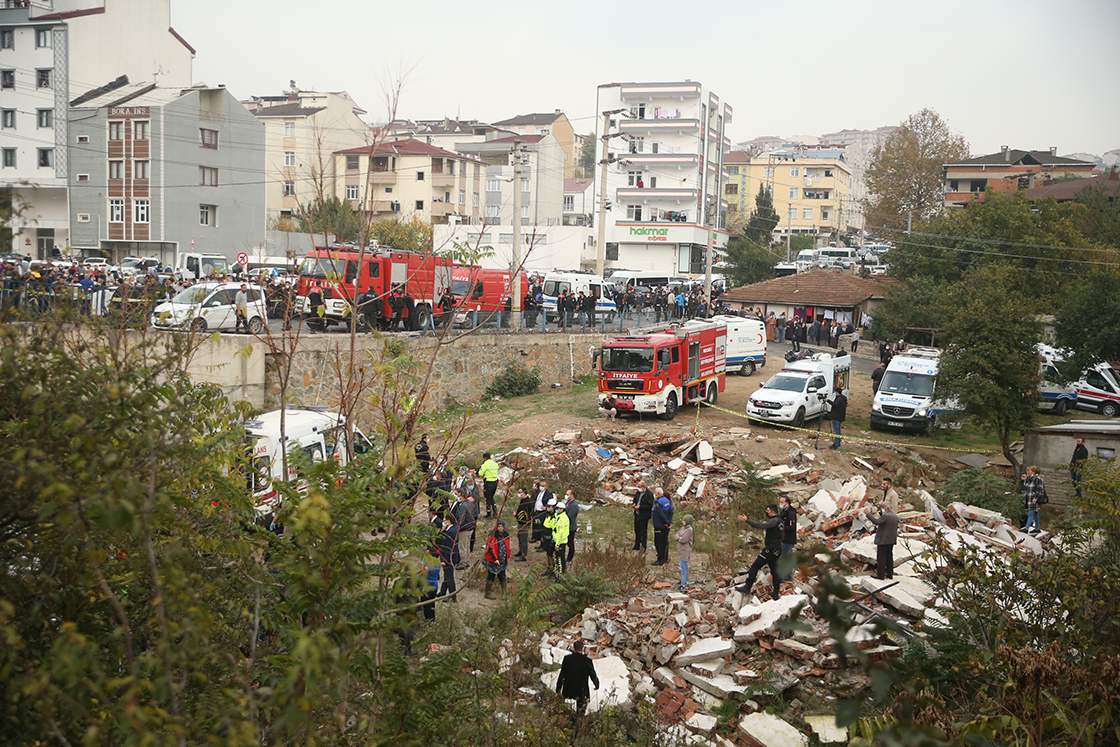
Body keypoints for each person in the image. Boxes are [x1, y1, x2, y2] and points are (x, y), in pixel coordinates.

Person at [736, 504, 783, 601]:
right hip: (777, 550)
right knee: (775, 570)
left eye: (768, 510)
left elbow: (760, 526)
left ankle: (747, 587)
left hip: (770, 549)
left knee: (755, 566)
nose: (767, 512)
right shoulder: (780, 521)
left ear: (772, 511)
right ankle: (775, 592)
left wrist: (747, 520)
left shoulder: (774, 521)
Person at [555, 639, 599, 739]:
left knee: (561, 709)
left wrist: (558, 690)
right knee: (580, 712)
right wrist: (597, 684)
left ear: (574, 648)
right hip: (581, 691)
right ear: (583, 648)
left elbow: (562, 675)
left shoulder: (567, 659)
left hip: (568, 689)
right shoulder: (587, 661)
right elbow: (593, 675)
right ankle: (574, 736)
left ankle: (560, 730)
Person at [864, 500, 899, 579]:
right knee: (889, 557)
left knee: (881, 558)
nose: (882, 508)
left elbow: (876, 522)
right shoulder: (895, 516)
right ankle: (890, 574)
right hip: (891, 540)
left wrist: (868, 514)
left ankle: (881, 575)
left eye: (882, 507)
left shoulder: (886, 516)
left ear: (886, 508)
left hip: (883, 540)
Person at [482, 520, 511, 599]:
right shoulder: (492, 535)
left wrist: (507, 556)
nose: (500, 528)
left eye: (502, 527)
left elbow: (507, 546)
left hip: (502, 560)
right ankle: (487, 593)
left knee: (502, 576)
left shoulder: (506, 535)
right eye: (499, 527)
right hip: (493, 560)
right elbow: (491, 548)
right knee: (491, 575)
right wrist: (495, 559)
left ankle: (504, 593)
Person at [543, 498, 570, 576]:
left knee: (560, 560)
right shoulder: (557, 516)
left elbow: (561, 533)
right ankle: (555, 573)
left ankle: (560, 576)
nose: (557, 510)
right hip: (556, 540)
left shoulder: (562, 519)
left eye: (558, 508)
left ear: (562, 509)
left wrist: (557, 544)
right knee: (555, 558)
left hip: (561, 542)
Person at [453, 490, 479, 570]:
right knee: (467, 546)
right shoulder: (470, 504)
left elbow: (461, 518)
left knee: (462, 547)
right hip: (470, 527)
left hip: (464, 529)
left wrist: (457, 528)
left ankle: (463, 563)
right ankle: (467, 561)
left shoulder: (462, 506)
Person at [437, 514, 459, 602]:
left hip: (449, 558)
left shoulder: (450, 532)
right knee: (447, 575)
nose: (443, 522)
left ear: (448, 521)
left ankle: (452, 596)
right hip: (453, 557)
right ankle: (443, 591)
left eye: (444, 520)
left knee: (449, 577)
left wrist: (444, 560)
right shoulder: (454, 529)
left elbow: (447, 548)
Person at [651, 487, 674, 566]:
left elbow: (660, 514)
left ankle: (660, 559)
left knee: (659, 543)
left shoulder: (659, 503)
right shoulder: (668, 501)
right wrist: (669, 522)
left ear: (658, 494)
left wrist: (666, 522)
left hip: (660, 525)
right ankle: (665, 558)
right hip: (666, 526)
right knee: (665, 541)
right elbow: (671, 511)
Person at [778, 495, 797, 582]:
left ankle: (781, 577)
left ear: (787, 503)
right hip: (783, 539)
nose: (780, 504)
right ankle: (788, 576)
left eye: (782, 502)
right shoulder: (784, 512)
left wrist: (780, 527)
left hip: (788, 540)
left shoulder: (791, 514)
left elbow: (791, 528)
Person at [632, 480, 654, 552]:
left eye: (639, 487)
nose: (638, 488)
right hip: (637, 514)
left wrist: (640, 507)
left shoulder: (649, 494)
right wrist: (634, 504)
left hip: (644, 515)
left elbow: (649, 505)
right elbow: (635, 499)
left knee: (643, 531)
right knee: (637, 530)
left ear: (644, 487)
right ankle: (637, 545)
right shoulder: (638, 493)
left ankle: (643, 546)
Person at [1022, 465, 1044, 533]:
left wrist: (1036, 497)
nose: (1028, 472)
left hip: (1034, 498)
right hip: (1029, 498)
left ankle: (1027, 527)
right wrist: (1026, 478)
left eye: (1030, 471)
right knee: (1035, 513)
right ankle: (1037, 528)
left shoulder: (1038, 479)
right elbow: (1026, 485)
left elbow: (1040, 489)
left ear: (1033, 472)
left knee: (1031, 513)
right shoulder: (1030, 478)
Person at [514, 487, 534, 561]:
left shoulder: (527, 502)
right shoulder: (523, 500)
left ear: (524, 492)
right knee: (520, 536)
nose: (519, 494)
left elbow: (527, 513)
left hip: (524, 523)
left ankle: (524, 555)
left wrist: (517, 515)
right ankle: (521, 551)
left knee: (523, 538)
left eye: (520, 492)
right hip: (520, 522)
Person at [420, 547, 440, 623]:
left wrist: (422, 563)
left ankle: (428, 621)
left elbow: (423, 573)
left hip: (427, 587)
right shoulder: (437, 562)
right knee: (432, 604)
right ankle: (432, 619)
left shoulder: (430, 564)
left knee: (426, 605)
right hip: (434, 585)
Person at [533, 479, 553, 550]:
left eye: (543, 486)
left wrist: (546, 508)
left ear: (546, 486)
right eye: (540, 485)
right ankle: (541, 545)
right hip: (538, 512)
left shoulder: (548, 493)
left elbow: (551, 503)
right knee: (539, 528)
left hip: (543, 513)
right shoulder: (540, 492)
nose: (541, 487)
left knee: (543, 529)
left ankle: (544, 546)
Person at [478, 451, 500, 518]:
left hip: (488, 483)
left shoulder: (485, 464)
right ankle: (495, 512)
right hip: (495, 482)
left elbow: (480, 473)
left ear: (484, 458)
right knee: (491, 497)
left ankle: (488, 513)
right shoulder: (495, 464)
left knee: (488, 498)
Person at [675, 515, 694, 589]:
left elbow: (683, 540)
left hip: (685, 550)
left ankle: (684, 583)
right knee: (681, 566)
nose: (683, 522)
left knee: (683, 567)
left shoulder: (689, 529)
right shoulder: (683, 528)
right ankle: (683, 581)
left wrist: (679, 538)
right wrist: (678, 537)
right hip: (681, 550)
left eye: (684, 520)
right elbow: (676, 535)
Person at [564, 489, 580, 566]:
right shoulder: (568, 503)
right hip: (565, 526)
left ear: (572, 496)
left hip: (570, 527)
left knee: (570, 543)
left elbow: (569, 516)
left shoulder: (574, 505)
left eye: (567, 494)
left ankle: (569, 558)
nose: (566, 496)